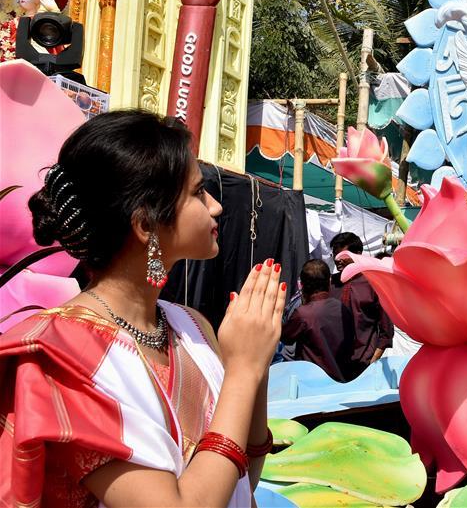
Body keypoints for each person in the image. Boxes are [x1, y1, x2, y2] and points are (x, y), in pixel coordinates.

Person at [0, 110, 286, 507]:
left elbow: (240, 480)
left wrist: (258, 362)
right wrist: (243, 369)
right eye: (198, 193)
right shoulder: (63, 358)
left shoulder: (192, 326)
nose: (216, 207)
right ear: (146, 225)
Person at [330, 232, 394, 378]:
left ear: (358, 254)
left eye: (342, 255)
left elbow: (386, 332)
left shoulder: (373, 283)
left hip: (363, 364)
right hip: (333, 365)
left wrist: (372, 362)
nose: (337, 259)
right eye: (335, 254)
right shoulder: (331, 283)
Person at [280, 259, 354, 382]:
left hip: (311, 382)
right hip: (341, 380)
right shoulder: (342, 308)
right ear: (329, 281)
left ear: (302, 285)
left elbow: (285, 337)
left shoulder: (303, 314)